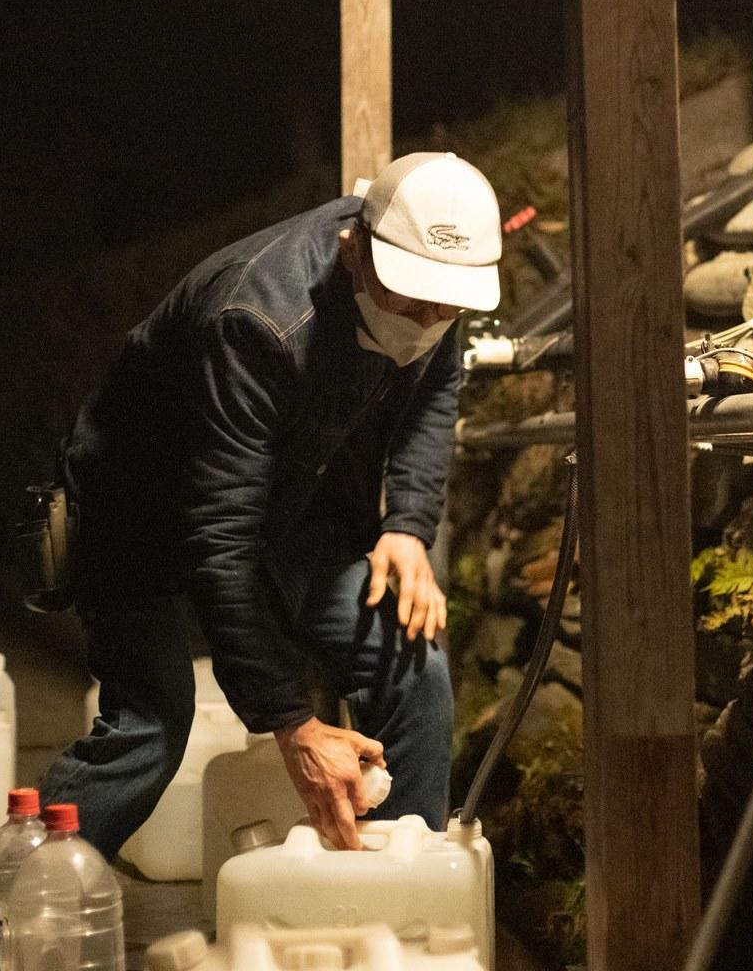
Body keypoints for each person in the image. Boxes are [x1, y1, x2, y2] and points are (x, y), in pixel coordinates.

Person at [40, 151, 502, 853]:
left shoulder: (434, 286)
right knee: (150, 725)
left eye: (447, 305)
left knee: (415, 669)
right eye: (413, 300)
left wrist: (407, 525)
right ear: (353, 251)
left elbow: (435, 394)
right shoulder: (255, 317)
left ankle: (401, 911)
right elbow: (220, 539)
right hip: (139, 508)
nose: (431, 318)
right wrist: (291, 722)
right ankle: (4, 917)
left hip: (291, 503)